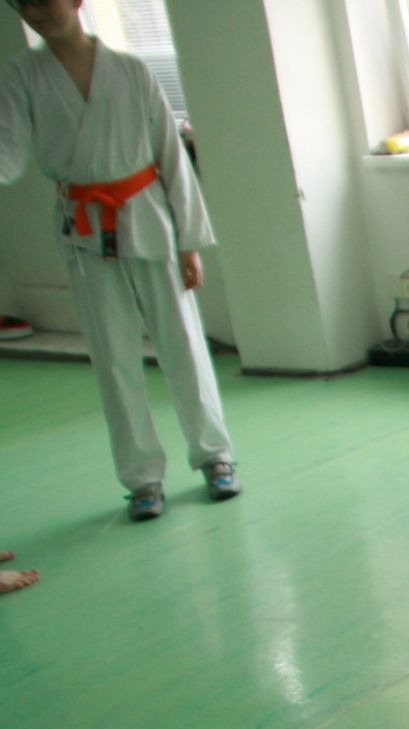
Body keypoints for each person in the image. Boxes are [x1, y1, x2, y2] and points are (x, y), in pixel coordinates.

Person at [0, 0, 240, 522]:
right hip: (83, 229)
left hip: (148, 217)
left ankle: (215, 455)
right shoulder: (21, 76)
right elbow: (8, 155)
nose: (35, 11)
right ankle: (141, 477)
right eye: (23, 3)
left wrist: (189, 240)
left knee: (183, 345)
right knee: (112, 358)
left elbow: (171, 155)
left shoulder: (131, 71)